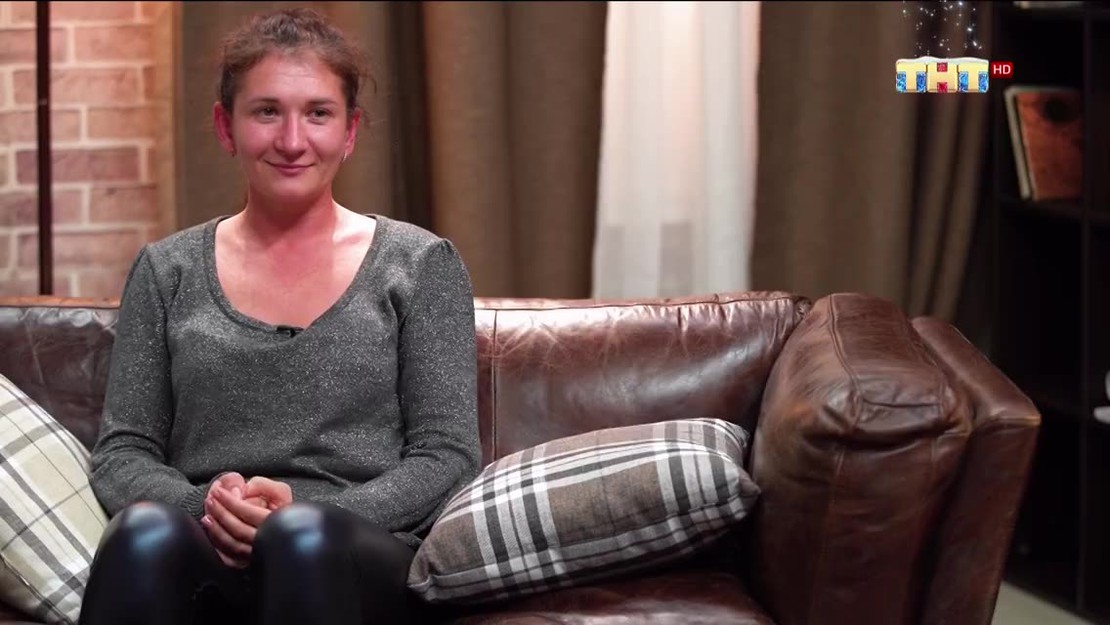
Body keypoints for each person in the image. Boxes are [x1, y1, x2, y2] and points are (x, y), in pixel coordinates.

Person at [77, 8, 480, 625]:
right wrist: (209, 508)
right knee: (143, 533)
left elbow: (446, 456)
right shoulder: (166, 270)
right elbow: (123, 452)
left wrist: (300, 514)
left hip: (356, 552)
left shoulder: (421, 265)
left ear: (350, 131)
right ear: (226, 127)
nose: (292, 141)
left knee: (302, 537)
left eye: (318, 113)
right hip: (209, 546)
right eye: (267, 112)